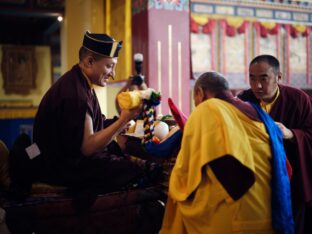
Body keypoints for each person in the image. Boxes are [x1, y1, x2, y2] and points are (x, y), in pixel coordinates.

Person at [160, 72, 293, 234]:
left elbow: (188, 176)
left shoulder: (208, 108)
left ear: (200, 93)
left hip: (238, 220)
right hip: (270, 217)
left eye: (195, 101)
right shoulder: (259, 113)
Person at [32, 31, 145, 192]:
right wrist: (122, 122)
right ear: (90, 62)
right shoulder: (76, 94)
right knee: (130, 169)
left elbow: (91, 125)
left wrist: (118, 122)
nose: (112, 74)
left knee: (117, 152)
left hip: (60, 159)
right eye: (109, 66)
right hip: (55, 167)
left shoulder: (79, 81)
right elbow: (87, 147)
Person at [238, 55, 312, 234]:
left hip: (293, 182)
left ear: (278, 77)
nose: (257, 86)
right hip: (258, 182)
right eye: (252, 78)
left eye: (264, 78)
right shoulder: (243, 101)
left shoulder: (298, 99)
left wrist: (292, 134)